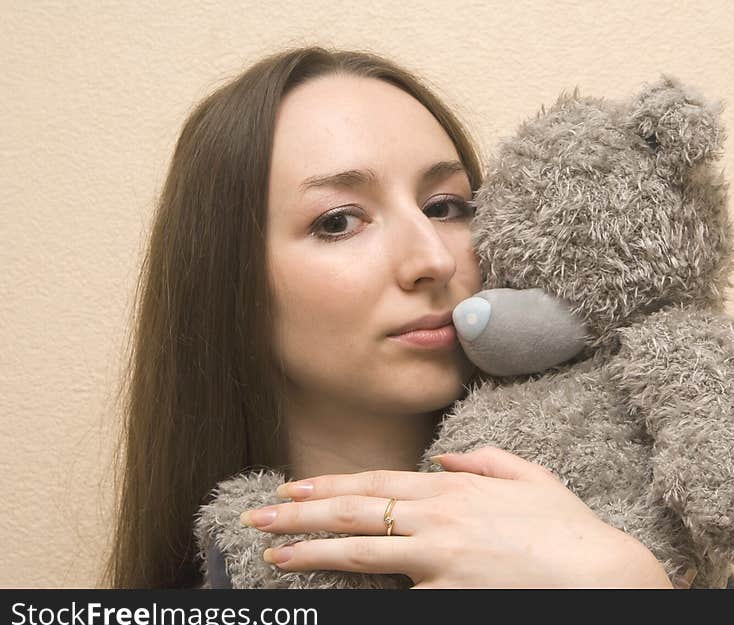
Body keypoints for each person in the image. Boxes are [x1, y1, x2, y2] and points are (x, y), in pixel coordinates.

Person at [106, 45, 681, 589]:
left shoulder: (647, 525)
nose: (432, 258)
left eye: (446, 207)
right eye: (338, 222)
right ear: (228, 281)